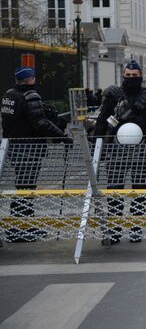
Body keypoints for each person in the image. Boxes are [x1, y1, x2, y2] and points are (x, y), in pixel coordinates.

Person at [94, 60, 146, 244]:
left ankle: (136, 228)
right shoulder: (113, 94)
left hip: (141, 150)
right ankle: (114, 230)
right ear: (123, 75)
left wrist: (145, 130)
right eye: (128, 75)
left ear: (140, 76)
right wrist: (96, 145)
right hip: (116, 150)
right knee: (114, 190)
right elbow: (102, 119)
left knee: (140, 189)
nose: (131, 78)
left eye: (135, 75)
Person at [1, 66, 72, 242]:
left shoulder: (8, 96)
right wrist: (62, 136)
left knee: (22, 186)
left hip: (12, 146)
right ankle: (22, 229)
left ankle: (19, 227)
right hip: (29, 147)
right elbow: (40, 122)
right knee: (27, 187)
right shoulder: (30, 95)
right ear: (31, 80)